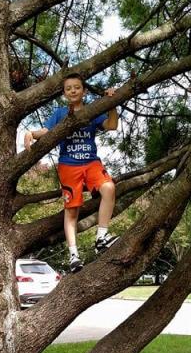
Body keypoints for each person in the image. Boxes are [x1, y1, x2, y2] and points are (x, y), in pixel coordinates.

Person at [24, 73, 119, 272]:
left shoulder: (93, 110)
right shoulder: (60, 113)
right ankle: (74, 256)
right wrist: (31, 133)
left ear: (84, 91)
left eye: (77, 87)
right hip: (69, 165)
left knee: (109, 188)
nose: (73, 91)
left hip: (91, 162)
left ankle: (102, 237)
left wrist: (112, 104)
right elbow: (46, 131)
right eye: (68, 88)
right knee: (72, 210)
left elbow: (111, 125)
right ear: (64, 93)